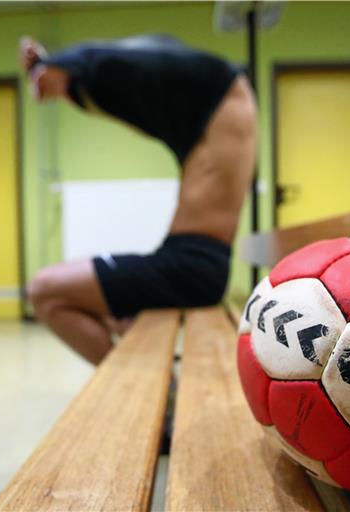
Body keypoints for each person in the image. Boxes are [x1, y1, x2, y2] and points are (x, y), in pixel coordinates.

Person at [21, 34, 257, 365]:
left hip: (192, 269)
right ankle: (138, 375)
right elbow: (134, 97)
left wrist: (59, 64)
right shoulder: (213, 127)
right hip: (188, 263)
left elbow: (142, 61)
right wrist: (63, 76)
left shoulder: (229, 92)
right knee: (107, 310)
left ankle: (127, 384)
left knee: (43, 291)